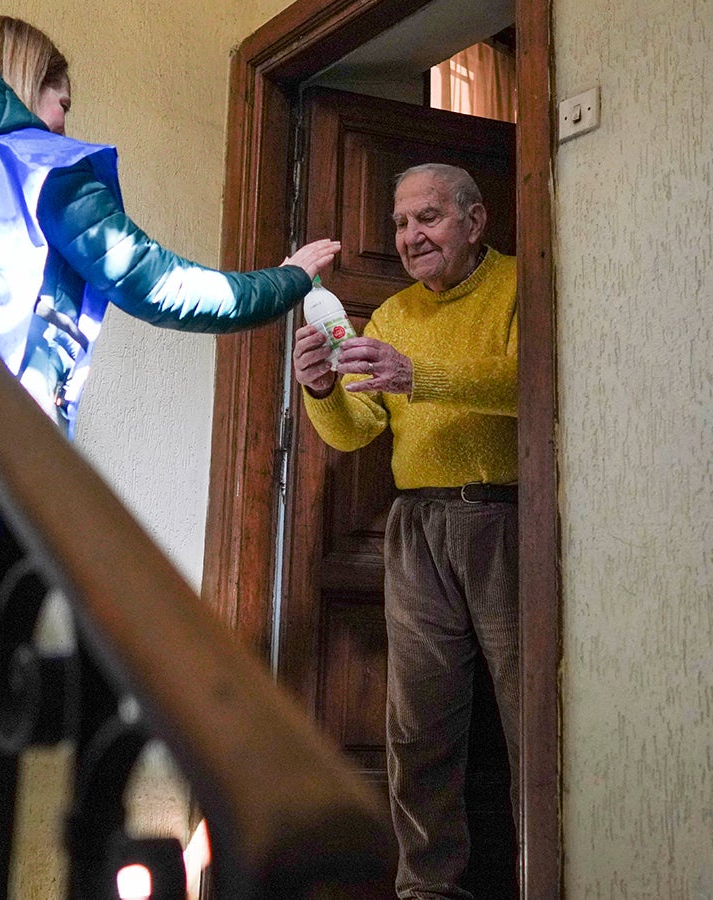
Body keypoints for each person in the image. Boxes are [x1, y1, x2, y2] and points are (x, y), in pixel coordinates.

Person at [0, 15, 339, 900]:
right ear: (17, 84)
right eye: (57, 96)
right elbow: (162, 283)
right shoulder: (43, 168)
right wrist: (291, 279)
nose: (62, 117)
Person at [291, 163, 517, 900]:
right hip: (416, 525)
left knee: (531, 717)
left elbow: (534, 380)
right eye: (399, 223)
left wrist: (419, 375)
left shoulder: (525, 286)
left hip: (505, 520)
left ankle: (544, 875)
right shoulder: (391, 315)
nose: (410, 237)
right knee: (420, 729)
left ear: (474, 220)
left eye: (427, 218)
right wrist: (321, 388)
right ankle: (426, 890)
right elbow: (359, 432)